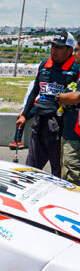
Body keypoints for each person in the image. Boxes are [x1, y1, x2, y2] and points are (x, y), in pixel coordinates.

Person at [16, 31, 80, 178]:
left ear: (69, 50)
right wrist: (24, 115)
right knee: (29, 171)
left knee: (58, 173)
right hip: (40, 124)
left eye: (58, 47)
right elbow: (34, 91)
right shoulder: (45, 64)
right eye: (52, 46)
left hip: (60, 127)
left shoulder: (76, 68)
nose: (53, 50)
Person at [55, 36, 80, 184]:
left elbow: (76, 97)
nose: (75, 53)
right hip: (71, 132)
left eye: (77, 50)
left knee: (72, 179)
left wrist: (59, 96)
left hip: (75, 137)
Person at [9, 80, 35, 150]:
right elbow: (28, 97)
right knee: (20, 118)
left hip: (43, 105)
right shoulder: (33, 83)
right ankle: (18, 141)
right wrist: (23, 111)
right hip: (33, 106)